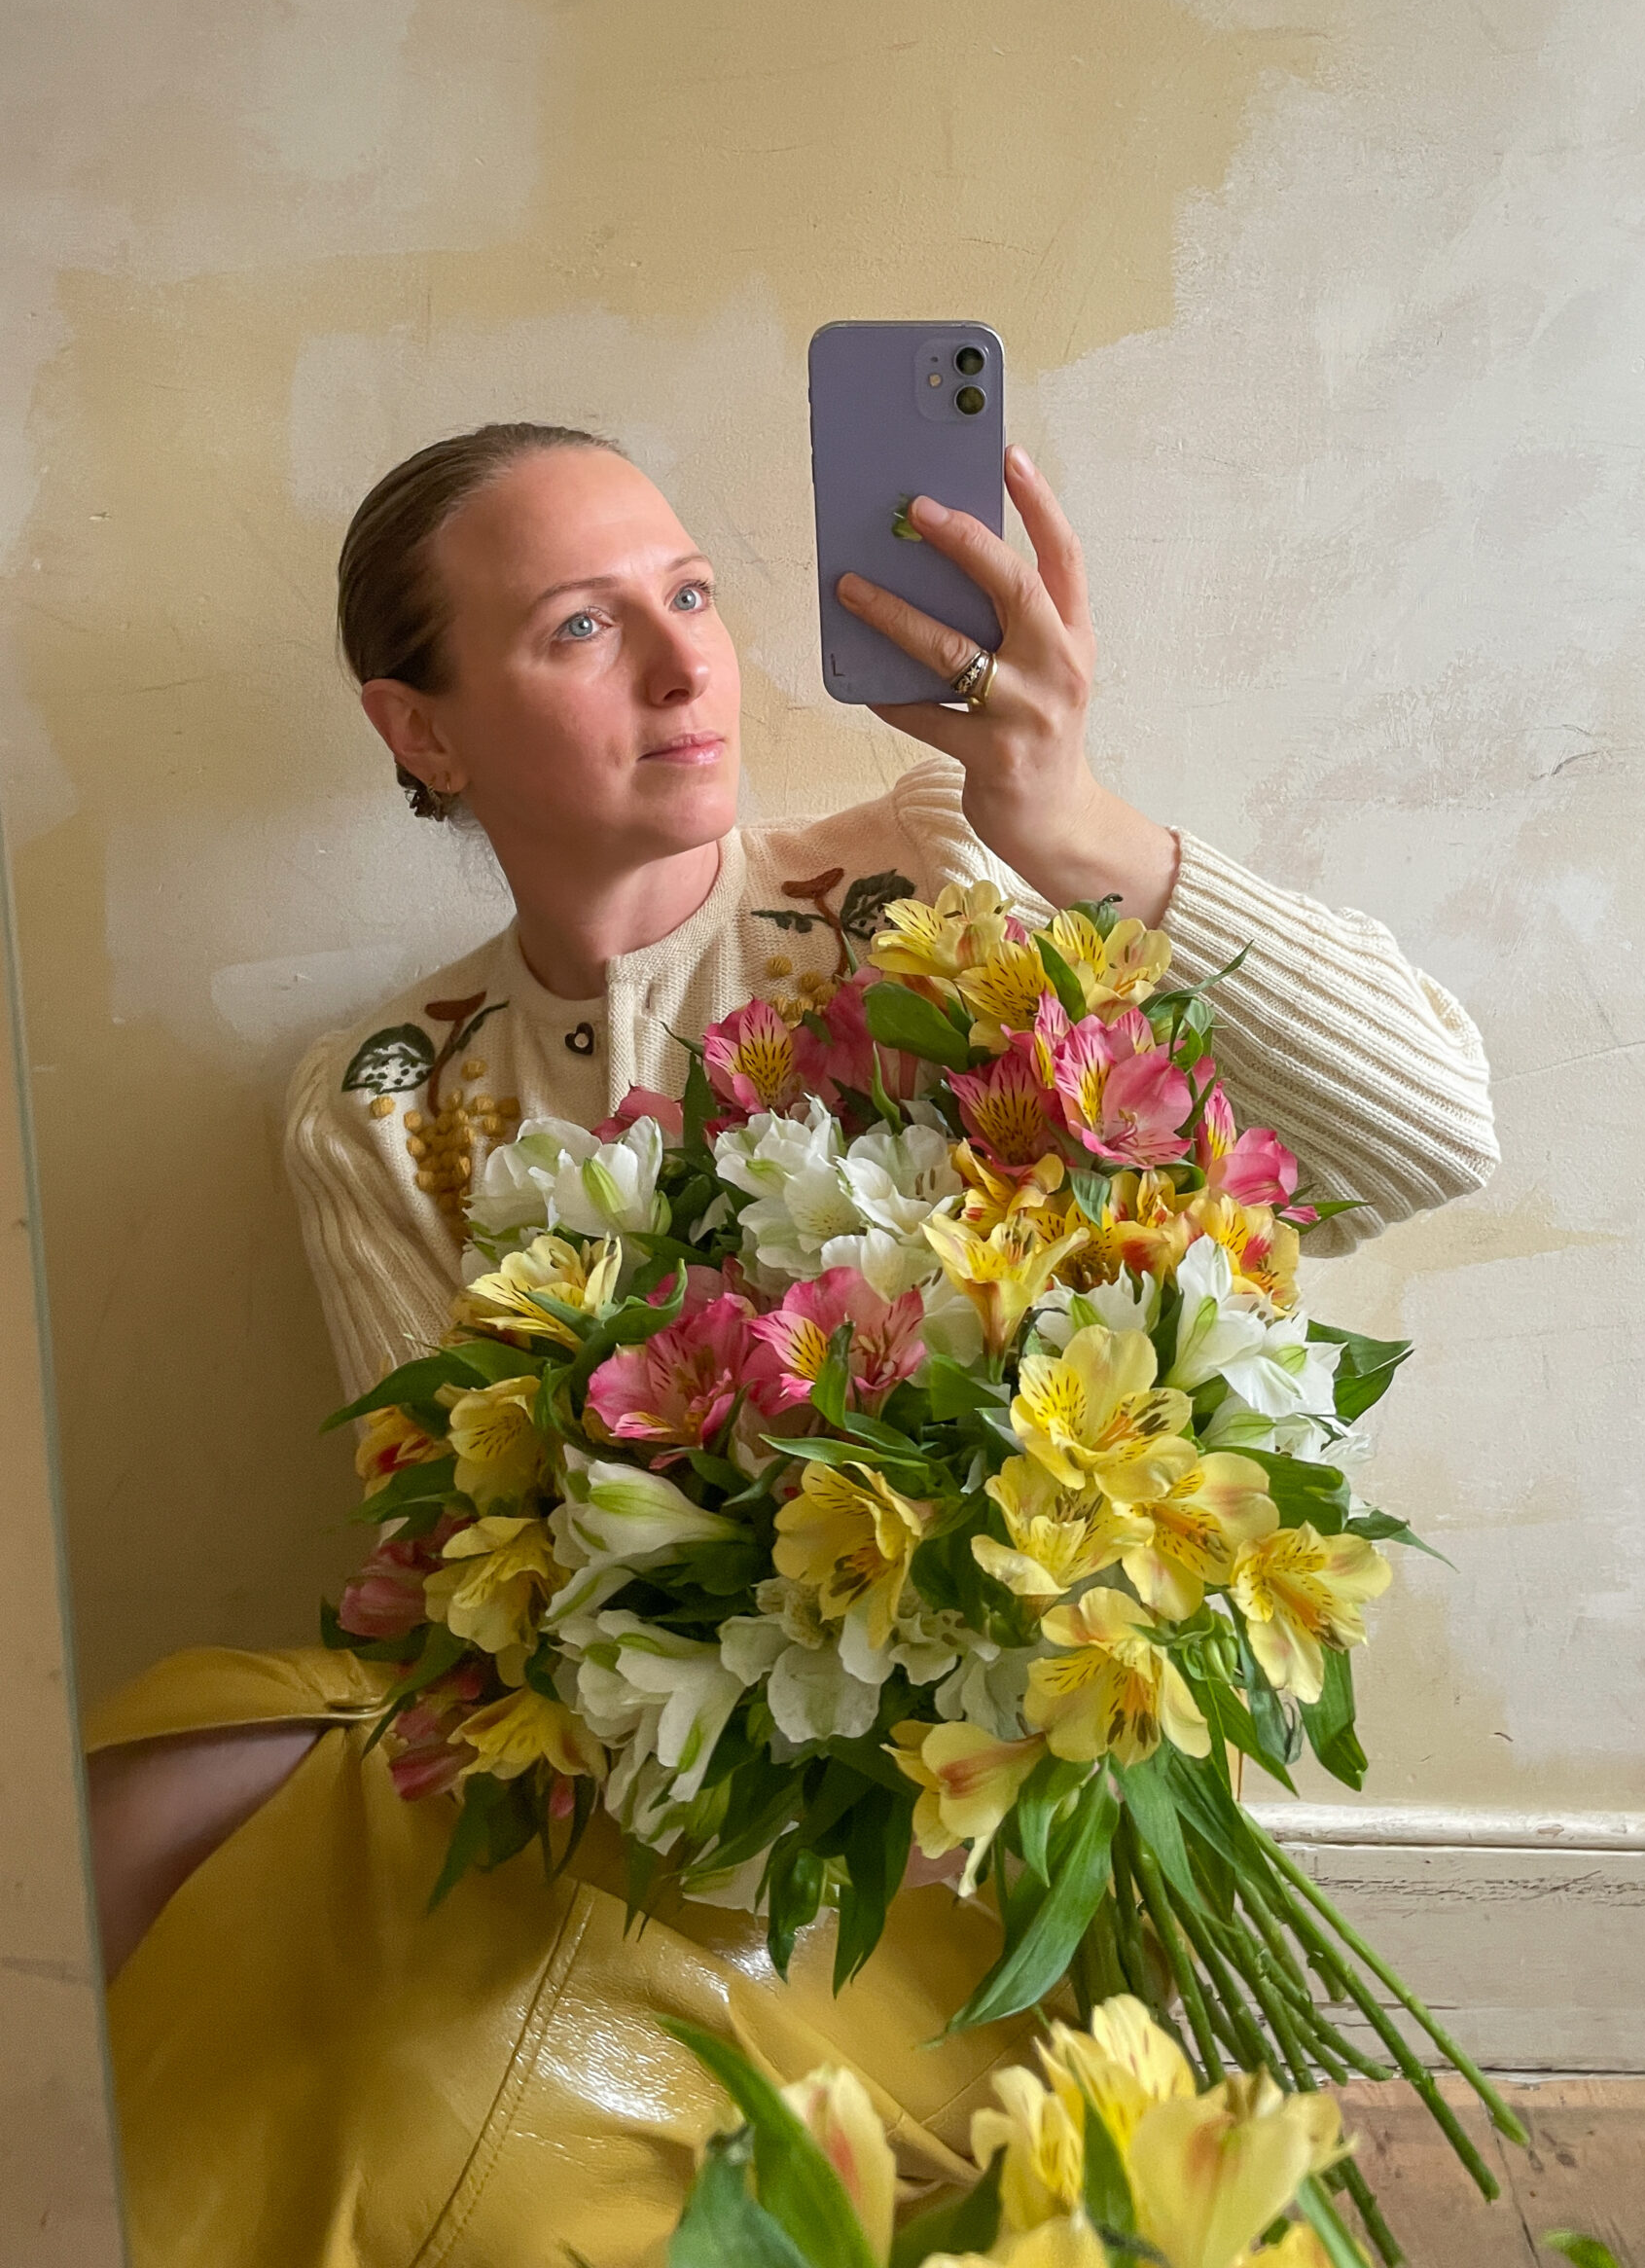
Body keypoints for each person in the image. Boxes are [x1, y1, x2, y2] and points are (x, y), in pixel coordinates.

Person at [86, 422, 1499, 2267]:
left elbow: (1426, 1140)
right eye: (583, 627)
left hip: (935, 1836)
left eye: (688, 594)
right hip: (610, 1785)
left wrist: (1066, 819)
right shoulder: (383, 1099)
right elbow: (467, 1579)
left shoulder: (920, 878)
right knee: (123, 1808)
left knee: (414, 2134)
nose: (688, 666)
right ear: (420, 729)